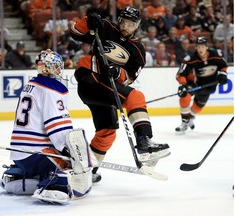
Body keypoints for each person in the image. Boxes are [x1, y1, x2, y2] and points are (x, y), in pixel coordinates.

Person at [69, 6, 170, 182]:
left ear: (137, 26)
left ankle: (87, 172)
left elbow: (129, 77)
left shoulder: (138, 49)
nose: (126, 27)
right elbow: (75, 33)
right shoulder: (105, 27)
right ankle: (144, 141)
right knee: (135, 97)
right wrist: (88, 21)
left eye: (131, 24)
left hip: (103, 87)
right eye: (124, 22)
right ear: (119, 20)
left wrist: (118, 73)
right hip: (90, 77)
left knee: (107, 132)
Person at [0, 49, 96, 204]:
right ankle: (53, 186)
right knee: (70, 167)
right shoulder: (53, 88)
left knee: (57, 162)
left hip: (19, 156)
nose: (58, 70)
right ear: (46, 68)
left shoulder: (30, 85)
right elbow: (57, 127)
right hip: (36, 154)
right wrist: (71, 153)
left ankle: (20, 176)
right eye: (55, 66)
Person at [175, 37, 228, 133]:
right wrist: (182, 84)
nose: (200, 49)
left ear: (207, 47)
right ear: (196, 47)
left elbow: (223, 66)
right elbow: (180, 74)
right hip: (193, 83)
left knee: (198, 108)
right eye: (198, 47)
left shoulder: (216, 55)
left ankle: (190, 118)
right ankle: (184, 122)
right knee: (184, 96)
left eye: (202, 46)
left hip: (208, 86)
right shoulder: (190, 59)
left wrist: (223, 74)